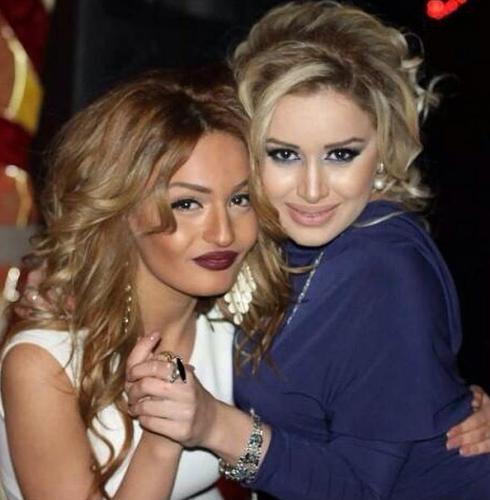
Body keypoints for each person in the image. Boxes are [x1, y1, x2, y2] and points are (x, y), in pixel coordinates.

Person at [125, 2, 490, 499]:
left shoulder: (384, 267)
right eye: (284, 154)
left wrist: (215, 425)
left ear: (383, 149)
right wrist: (64, 284)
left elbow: (360, 489)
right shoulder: (259, 237)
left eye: (341, 154)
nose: (312, 190)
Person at [0, 68, 289, 499]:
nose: (223, 233)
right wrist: (162, 440)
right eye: (187, 204)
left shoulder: (241, 318)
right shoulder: (46, 361)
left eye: (239, 199)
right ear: (120, 209)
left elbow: (326, 466)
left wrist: (212, 423)